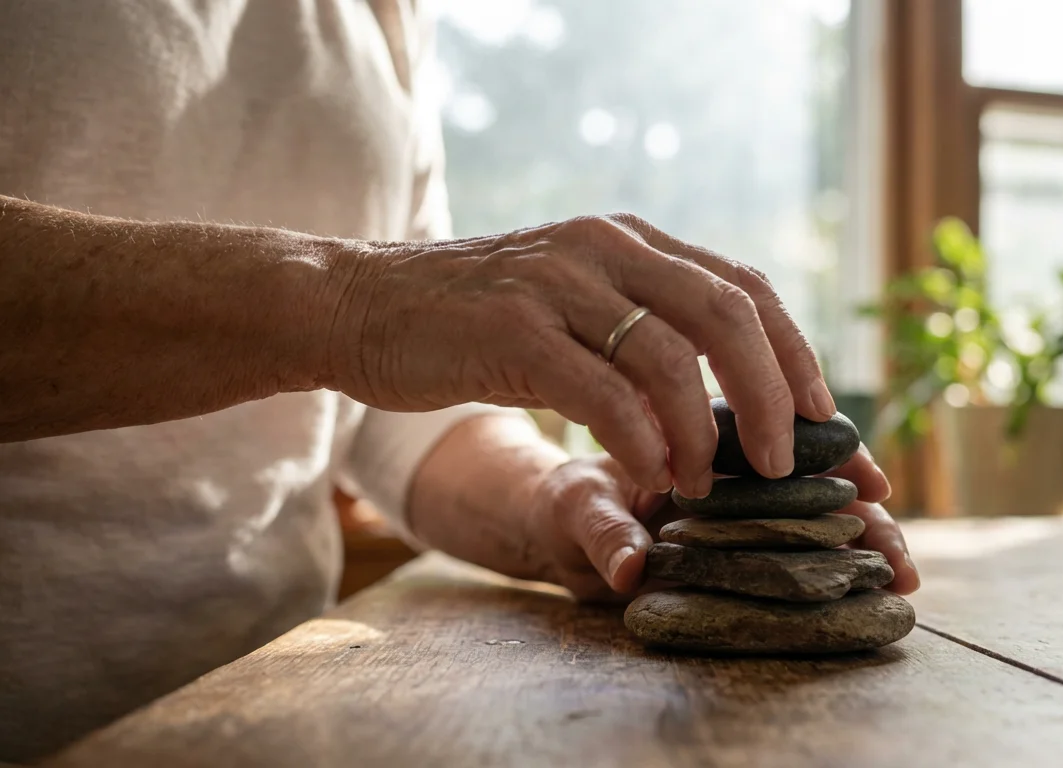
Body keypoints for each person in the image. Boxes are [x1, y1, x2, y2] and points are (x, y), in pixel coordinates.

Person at [0, 0, 919, 761]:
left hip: (269, 712)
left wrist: (556, 501)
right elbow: (360, 329)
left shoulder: (386, 14)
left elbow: (383, 417)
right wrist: (350, 302)